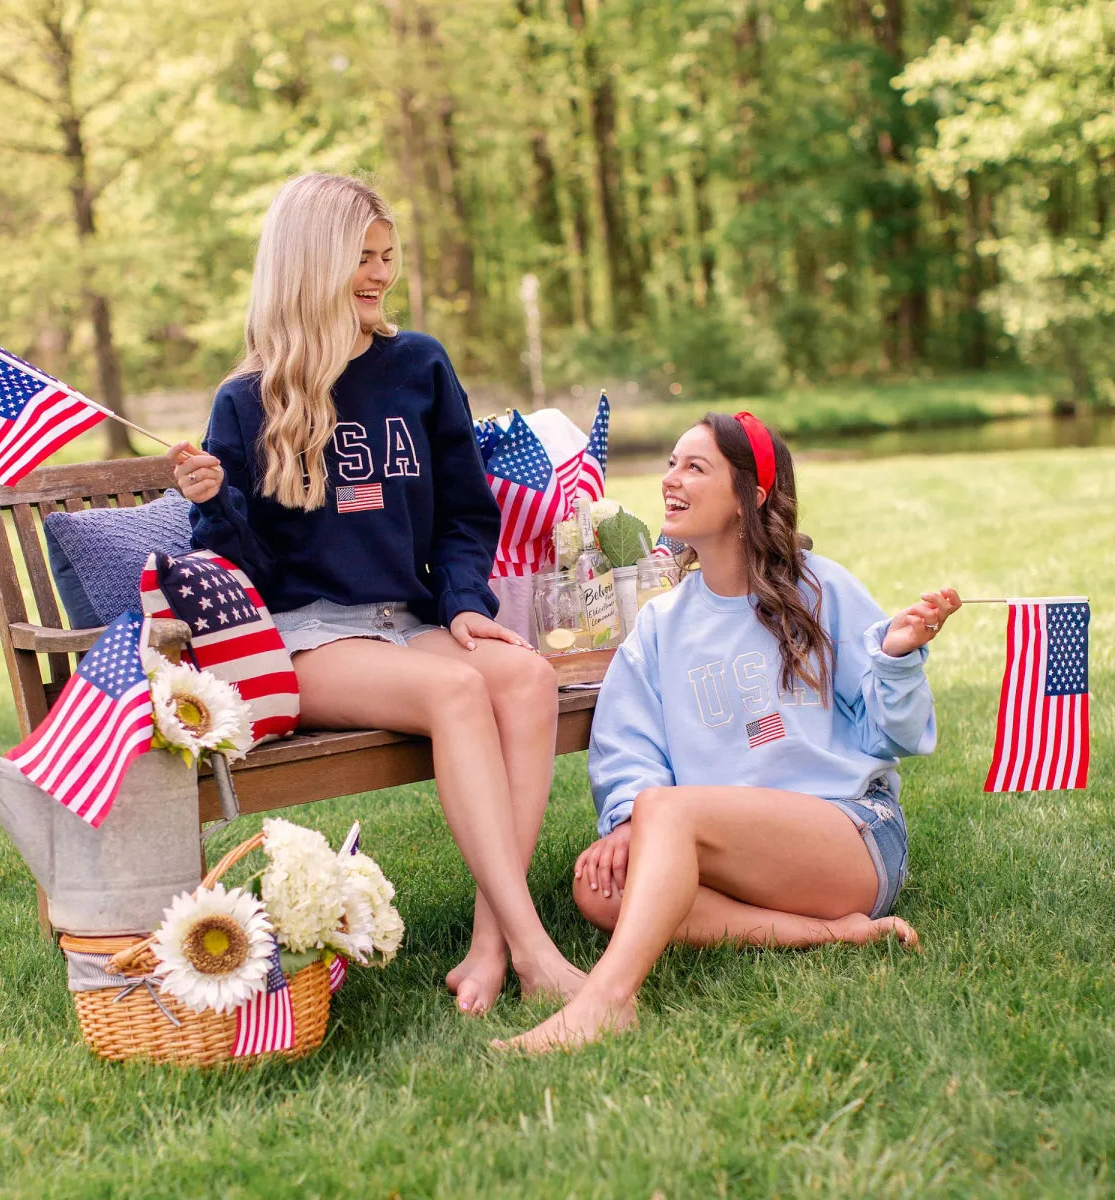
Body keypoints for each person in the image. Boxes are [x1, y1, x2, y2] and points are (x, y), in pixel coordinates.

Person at [166, 172, 583, 1015]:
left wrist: (466, 602)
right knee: (461, 691)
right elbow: (246, 575)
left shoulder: (418, 366)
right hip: (309, 638)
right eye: (361, 257)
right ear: (310, 263)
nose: (380, 274)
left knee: (529, 679)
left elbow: (468, 514)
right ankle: (535, 950)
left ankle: (488, 948)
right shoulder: (248, 401)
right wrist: (217, 502)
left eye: (388, 256)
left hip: (413, 621)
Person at [496, 411, 960, 1052]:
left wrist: (899, 657)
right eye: (670, 465)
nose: (671, 481)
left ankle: (606, 1000)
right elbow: (629, 745)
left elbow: (897, 735)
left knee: (668, 813)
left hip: (847, 836)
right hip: (730, 852)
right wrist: (628, 820)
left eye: (695, 467)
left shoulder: (821, 591)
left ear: (750, 497)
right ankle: (830, 934)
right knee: (598, 890)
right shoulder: (660, 625)